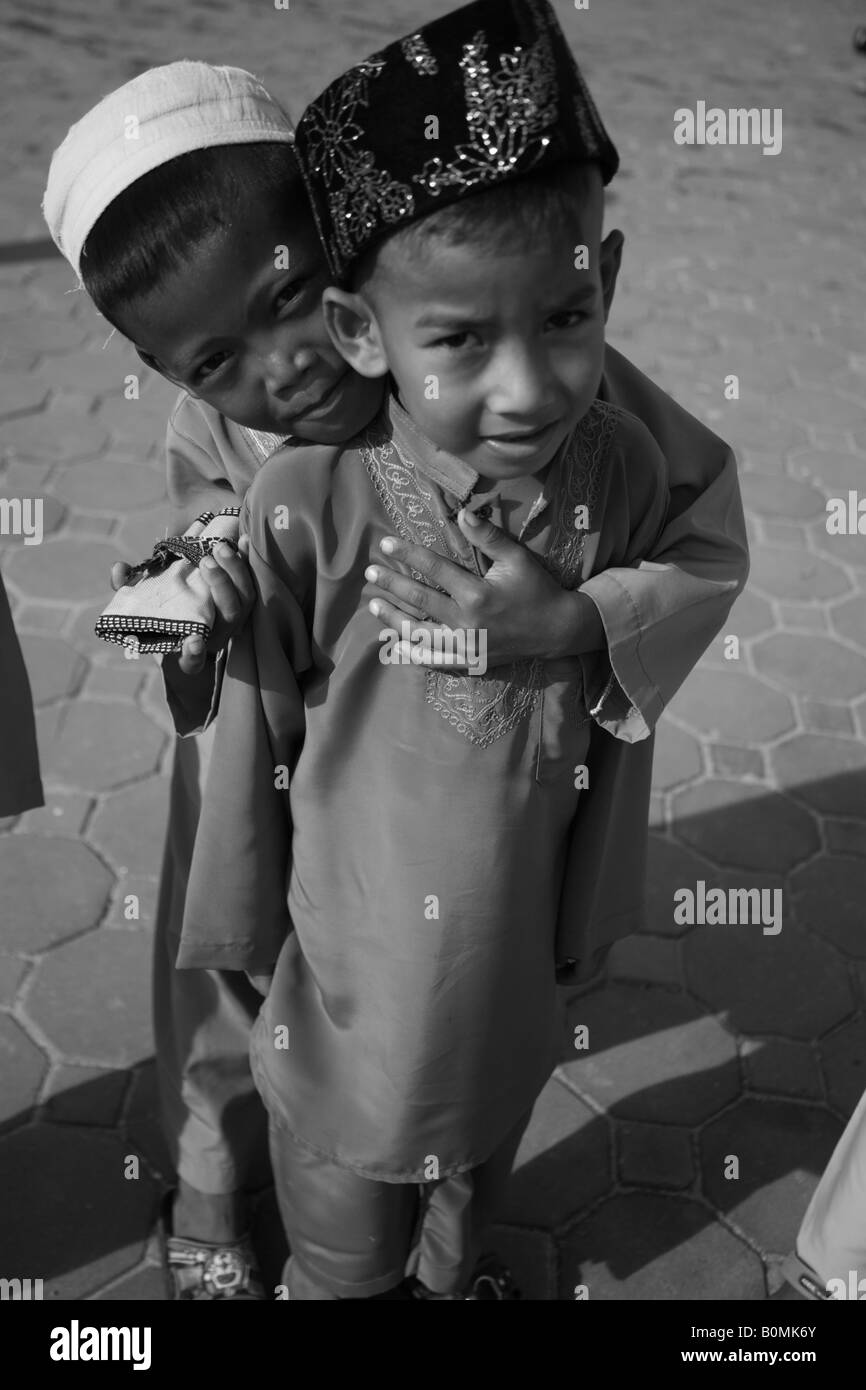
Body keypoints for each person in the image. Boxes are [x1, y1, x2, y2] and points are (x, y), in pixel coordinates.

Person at [173, 0, 750, 1300]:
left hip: (518, 938)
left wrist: (575, 620)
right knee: (345, 1197)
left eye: (562, 315)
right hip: (354, 964)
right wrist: (244, 922)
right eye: (457, 339)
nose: (528, 385)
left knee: (484, 1141)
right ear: (362, 331)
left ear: (606, 271)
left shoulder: (623, 461)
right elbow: (241, 729)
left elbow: (710, 547)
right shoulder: (314, 504)